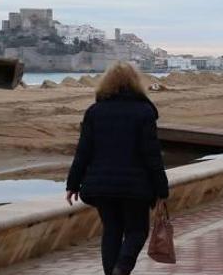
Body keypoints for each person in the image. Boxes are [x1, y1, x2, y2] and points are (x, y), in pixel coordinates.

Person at [66, 61, 170, 275]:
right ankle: (122, 269)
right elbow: (152, 155)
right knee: (137, 231)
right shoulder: (144, 112)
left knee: (111, 231)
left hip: (101, 186)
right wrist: (162, 190)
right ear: (136, 83)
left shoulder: (95, 111)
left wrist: (73, 183)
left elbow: (83, 151)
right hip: (135, 187)